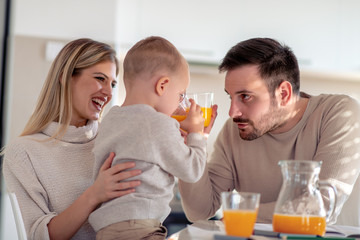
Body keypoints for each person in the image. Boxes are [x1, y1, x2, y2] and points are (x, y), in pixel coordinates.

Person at [178, 37, 360, 225]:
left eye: (245, 96)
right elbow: (199, 212)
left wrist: (241, 214)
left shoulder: (339, 113)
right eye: (231, 97)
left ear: (283, 94)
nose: (232, 112)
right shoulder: (234, 131)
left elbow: (321, 207)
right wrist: (191, 147)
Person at [2, 38, 142, 240]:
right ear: (66, 77)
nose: (109, 92)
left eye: (112, 83)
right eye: (100, 78)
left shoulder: (114, 138)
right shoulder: (23, 153)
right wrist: (95, 194)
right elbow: (35, 236)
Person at [88, 36, 208, 240]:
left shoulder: (110, 119)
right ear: (162, 85)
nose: (181, 103)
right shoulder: (160, 124)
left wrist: (178, 128)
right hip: (140, 227)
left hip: (106, 229)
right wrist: (198, 133)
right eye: (180, 95)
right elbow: (192, 170)